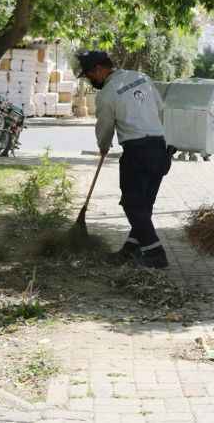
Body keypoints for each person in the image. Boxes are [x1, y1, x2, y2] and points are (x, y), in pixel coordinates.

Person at [76, 51, 171, 269]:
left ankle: (155, 252)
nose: (91, 80)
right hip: (159, 148)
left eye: (90, 75)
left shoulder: (107, 93)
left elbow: (105, 126)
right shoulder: (142, 77)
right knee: (144, 204)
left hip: (137, 152)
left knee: (132, 205)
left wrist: (103, 145)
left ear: (99, 69)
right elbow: (159, 108)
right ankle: (130, 249)